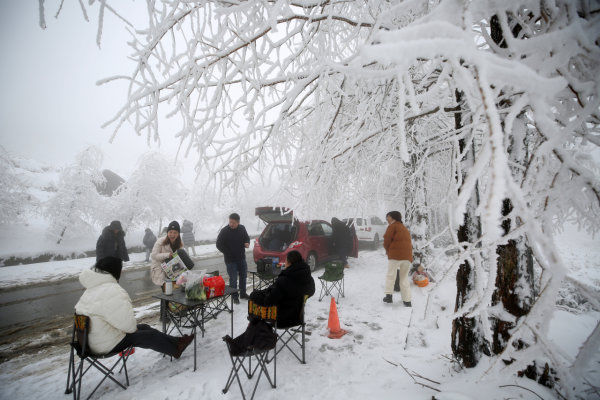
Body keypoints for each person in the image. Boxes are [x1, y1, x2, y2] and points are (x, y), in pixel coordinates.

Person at [75, 256, 194, 359]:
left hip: (88, 343)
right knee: (147, 335)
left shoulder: (91, 289)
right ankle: (176, 349)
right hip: (105, 345)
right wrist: (132, 329)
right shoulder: (112, 290)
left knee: (144, 327)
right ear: (116, 271)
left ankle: (177, 343)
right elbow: (129, 327)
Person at [249, 250, 315, 327]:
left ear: (289, 263)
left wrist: (255, 295)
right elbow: (311, 292)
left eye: (286, 260)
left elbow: (269, 301)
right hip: (298, 316)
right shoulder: (308, 278)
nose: (285, 262)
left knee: (253, 297)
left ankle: (254, 328)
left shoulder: (284, 280)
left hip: (282, 319)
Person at [216, 213, 250, 304]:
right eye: (230, 222)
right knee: (233, 279)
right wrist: (227, 253)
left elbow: (247, 238)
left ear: (238, 222)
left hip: (241, 258)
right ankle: (235, 296)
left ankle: (243, 293)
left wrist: (247, 242)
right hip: (230, 260)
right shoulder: (224, 231)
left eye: (233, 222)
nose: (231, 224)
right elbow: (218, 244)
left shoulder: (242, 228)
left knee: (243, 276)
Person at [382, 211, 413, 306]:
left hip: (395, 255)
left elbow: (387, 240)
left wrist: (388, 250)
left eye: (388, 217)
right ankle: (407, 301)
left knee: (391, 275)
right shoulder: (404, 228)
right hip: (407, 257)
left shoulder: (392, 226)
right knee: (404, 278)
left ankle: (388, 296)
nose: (387, 219)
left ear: (393, 217)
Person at [150, 221, 183, 287]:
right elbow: (153, 255)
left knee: (175, 291)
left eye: (175, 232)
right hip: (160, 270)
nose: (172, 235)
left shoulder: (179, 243)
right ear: (167, 232)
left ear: (178, 234)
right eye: (170, 232)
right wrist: (167, 255)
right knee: (167, 292)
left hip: (173, 270)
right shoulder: (160, 241)